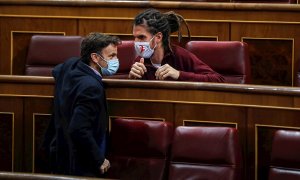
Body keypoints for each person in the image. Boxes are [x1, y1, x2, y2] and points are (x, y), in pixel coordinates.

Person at [46, 32, 121, 177]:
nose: (116, 60)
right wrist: (99, 159)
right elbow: (79, 128)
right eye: (111, 56)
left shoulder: (71, 65)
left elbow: (56, 70)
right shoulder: (91, 87)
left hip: (60, 152)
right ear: (94, 57)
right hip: (81, 163)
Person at [129, 8, 224, 82]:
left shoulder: (180, 56)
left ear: (158, 37)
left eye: (141, 37)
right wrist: (131, 80)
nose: (136, 42)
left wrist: (179, 75)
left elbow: (218, 79)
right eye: (135, 37)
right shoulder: (139, 62)